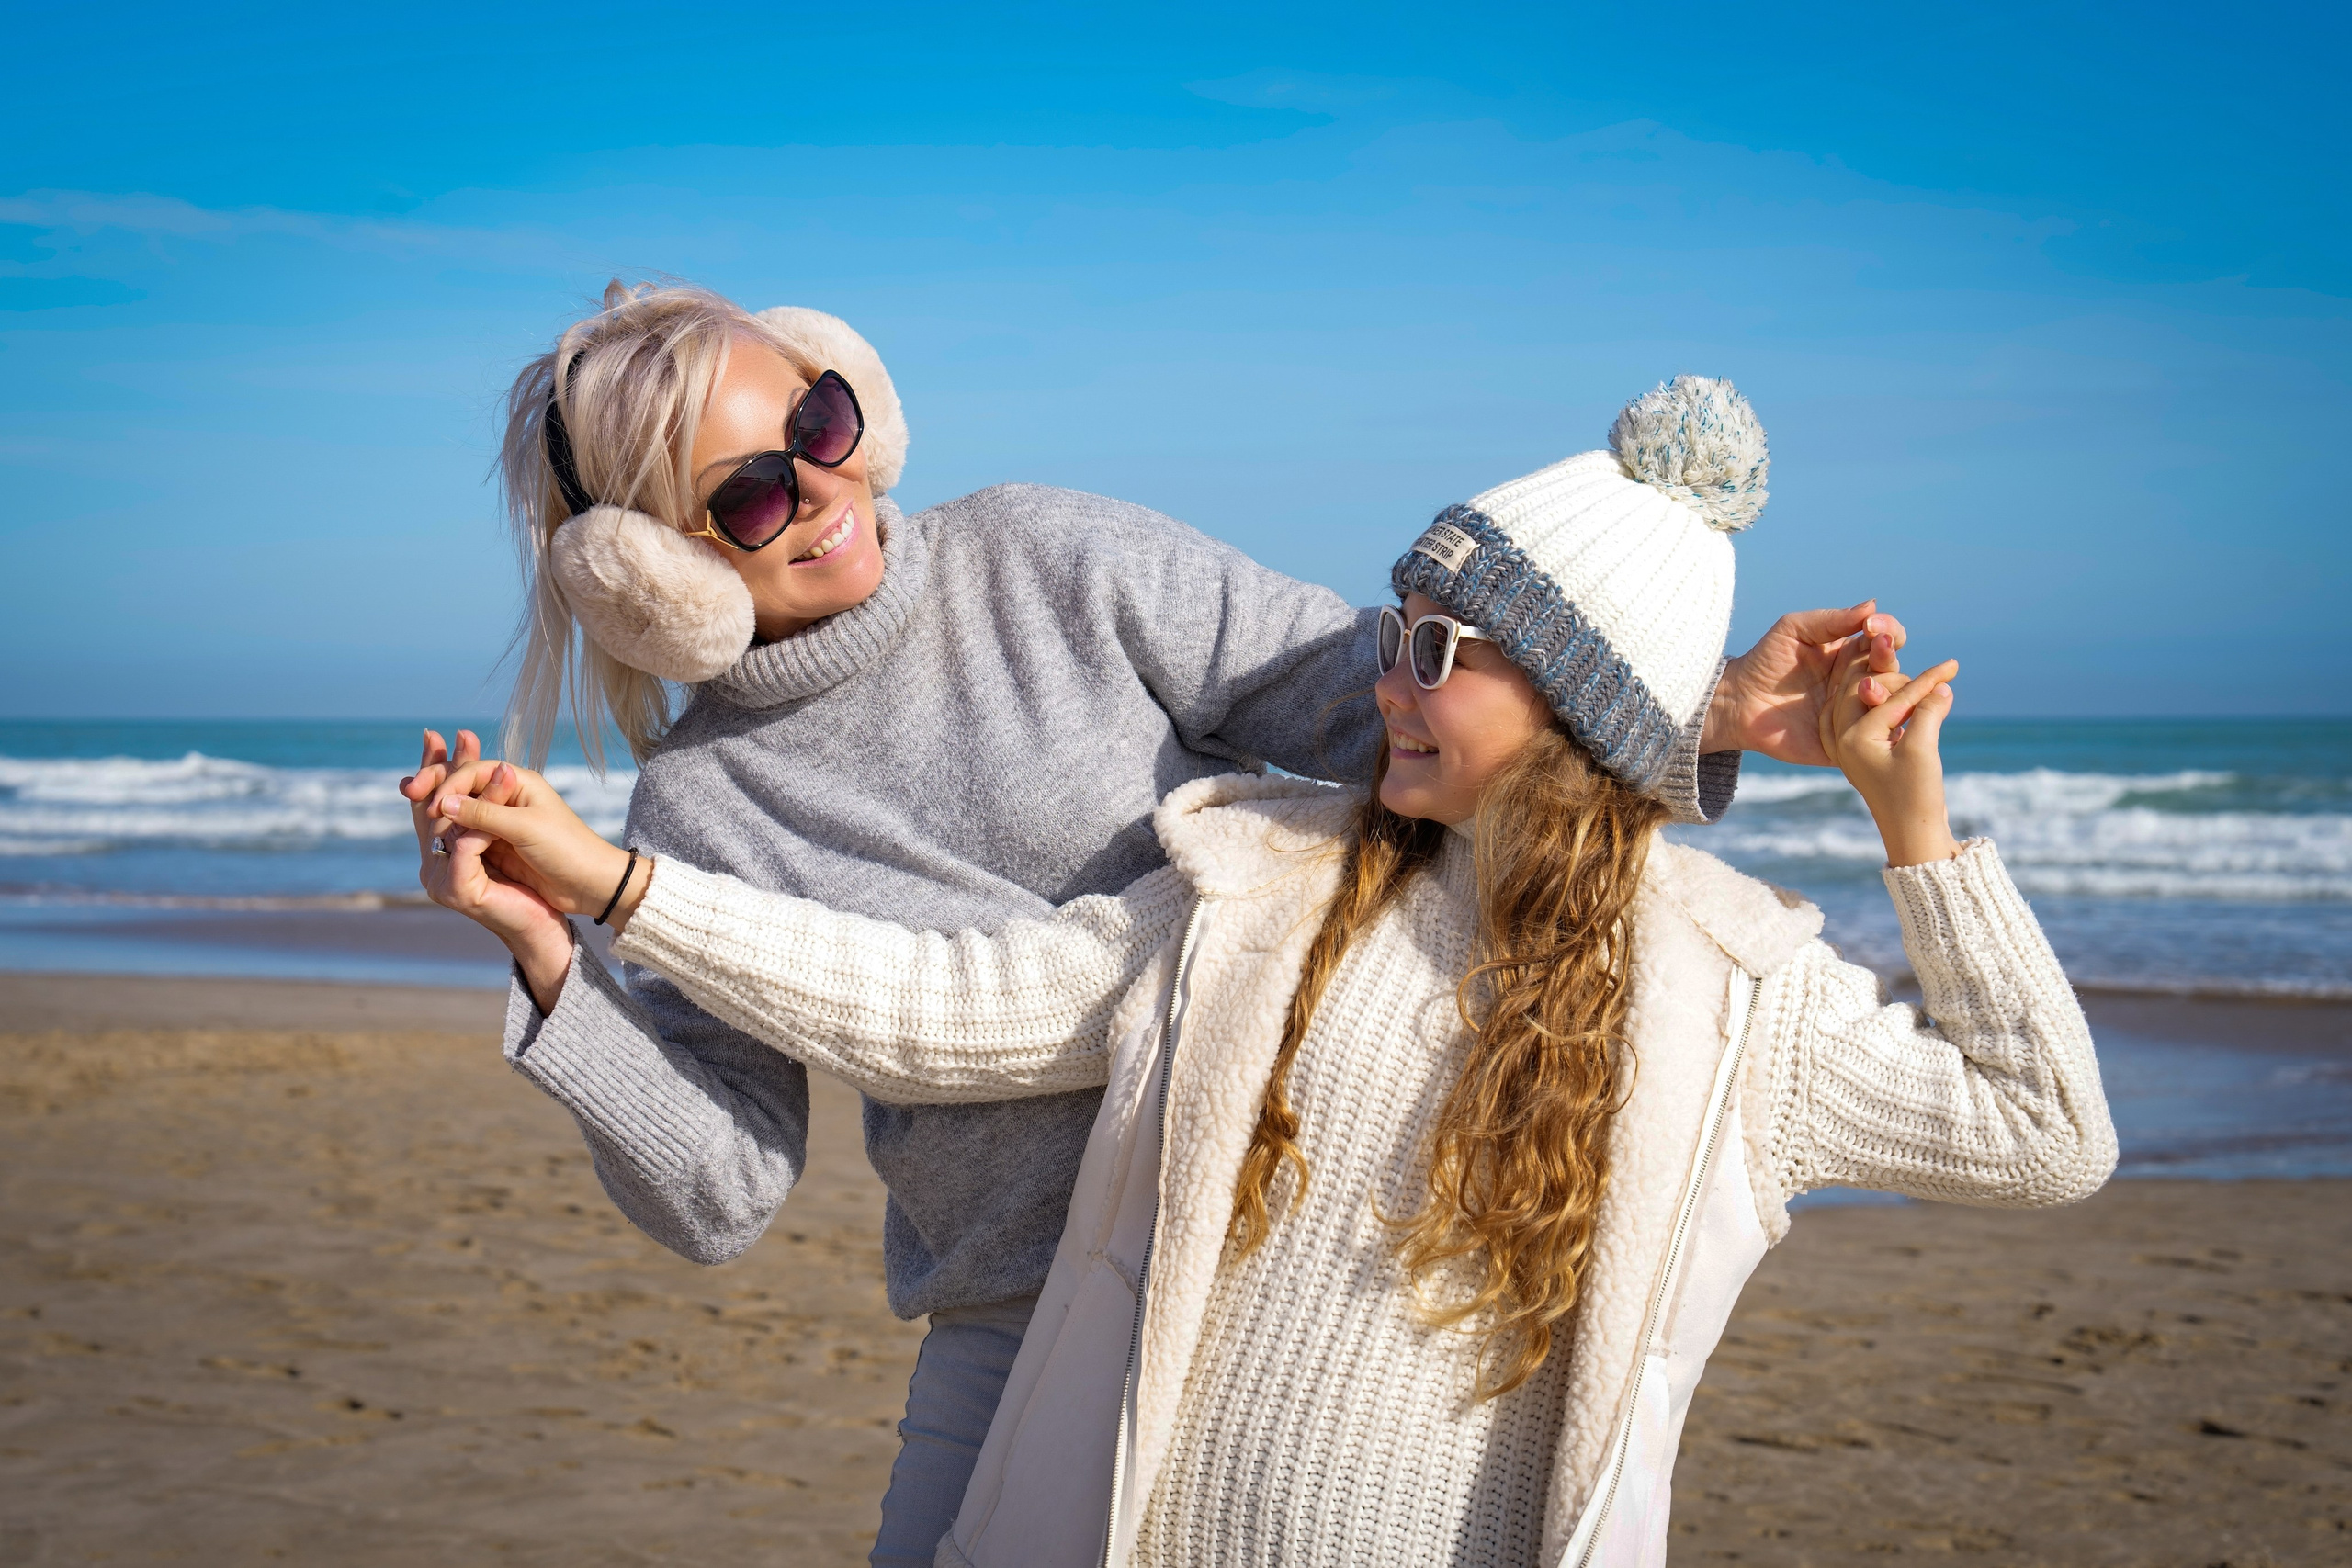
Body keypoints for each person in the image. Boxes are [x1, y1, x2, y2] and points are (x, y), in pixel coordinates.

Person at [407, 284, 1917, 1565]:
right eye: (745, 494)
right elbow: (722, 1194)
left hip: (1277, 1266)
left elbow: (1388, 714)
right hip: (1011, 1314)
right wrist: (553, 959)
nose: (817, 489)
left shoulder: (1046, 552)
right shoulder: (698, 810)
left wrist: (1700, 709)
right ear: (651, 568)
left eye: (820, 423)